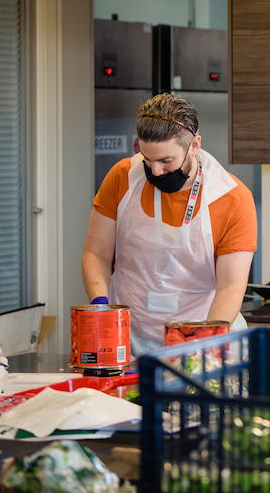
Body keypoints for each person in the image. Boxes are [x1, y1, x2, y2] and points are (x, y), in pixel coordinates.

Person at [82, 93, 257, 356]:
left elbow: (230, 286)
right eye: (147, 160)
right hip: (129, 337)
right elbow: (97, 253)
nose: (155, 172)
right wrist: (101, 308)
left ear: (195, 145)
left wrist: (204, 344)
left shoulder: (231, 197)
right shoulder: (122, 177)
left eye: (166, 161)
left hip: (201, 336)